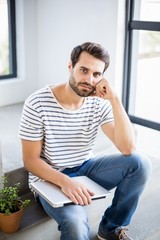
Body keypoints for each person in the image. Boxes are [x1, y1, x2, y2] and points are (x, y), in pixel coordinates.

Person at [19, 42, 151, 240]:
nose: (89, 80)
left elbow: (128, 147)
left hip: (86, 167)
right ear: (70, 67)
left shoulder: (98, 101)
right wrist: (65, 182)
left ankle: (111, 229)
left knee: (140, 163)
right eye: (84, 70)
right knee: (76, 226)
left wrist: (115, 100)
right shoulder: (37, 103)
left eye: (97, 74)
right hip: (50, 178)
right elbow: (30, 161)